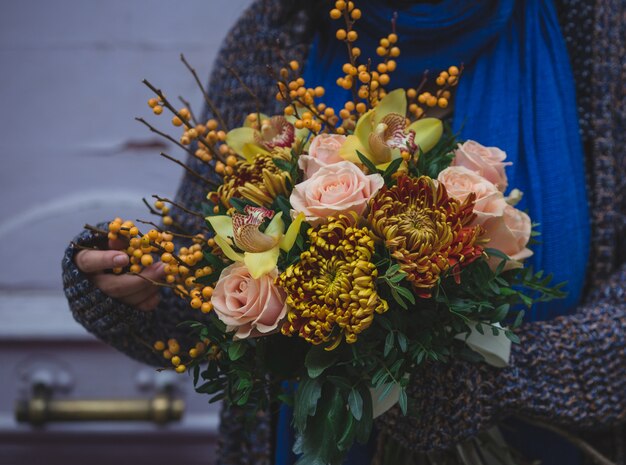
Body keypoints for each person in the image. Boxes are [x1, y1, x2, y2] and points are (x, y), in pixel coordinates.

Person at [63, 0, 625, 464]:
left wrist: (504, 378)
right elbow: (208, 287)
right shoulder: (279, 29)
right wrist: (135, 286)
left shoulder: (597, 26)